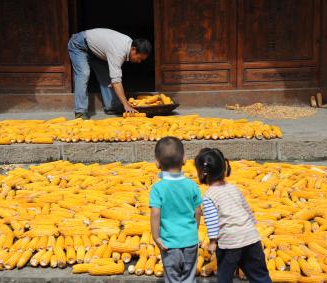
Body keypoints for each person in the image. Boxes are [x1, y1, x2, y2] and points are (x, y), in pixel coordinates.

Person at [194, 148, 271, 283]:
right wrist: (250, 227)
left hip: (231, 244)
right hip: (251, 238)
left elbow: (211, 221)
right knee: (259, 275)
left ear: (204, 172)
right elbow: (246, 209)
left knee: (225, 277)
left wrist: (212, 242)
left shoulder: (209, 196)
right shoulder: (233, 188)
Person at [149, 137, 202, 283]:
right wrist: (193, 229)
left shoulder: (157, 188)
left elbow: (155, 213)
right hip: (190, 241)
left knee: (173, 279)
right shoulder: (192, 185)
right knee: (188, 278)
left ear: (157, 163)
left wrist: (156, 237)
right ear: (184, 159)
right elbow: (198, 211)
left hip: (169, 244)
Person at [68, 28, 152, 119]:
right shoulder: (118, 51)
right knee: (84, 74)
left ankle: (112, 107)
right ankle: (80, 112)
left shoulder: (128, 44)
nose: (139, 61)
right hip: (79, 45)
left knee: (109, 76)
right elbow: (116, 82)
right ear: (133, 49)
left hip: (94, 51)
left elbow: (115, 78)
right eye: (139, 58)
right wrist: (126, 105)